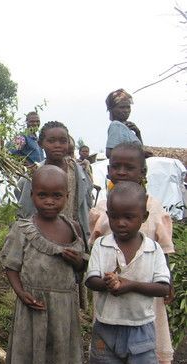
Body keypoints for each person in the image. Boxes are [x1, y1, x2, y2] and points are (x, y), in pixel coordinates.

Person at [89, 142, 175, 363]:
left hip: (145, 297)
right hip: (110, 303)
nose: (122, 172)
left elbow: (162, 250)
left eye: (129, 167)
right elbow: (94, 249)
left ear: (143, 172)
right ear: (108, 171)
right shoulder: (102, 208)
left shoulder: (154, 209)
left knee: (146, 343)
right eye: (116, 167)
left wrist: (168, 282)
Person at [0, 165, 86, 363]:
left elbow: (81, 268)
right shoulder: (23, 229)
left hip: (64, 308)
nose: (49, 201)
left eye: (57, 196)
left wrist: (78, 262)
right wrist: (21, 293)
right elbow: (11, 266)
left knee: (61, 352)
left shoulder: (73, 228)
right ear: (32, 195)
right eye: (42, 195)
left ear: (67, 195)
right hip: (33, 305)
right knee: (30, 351)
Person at [18, 121, 93, 246]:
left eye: (63, 141)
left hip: (72, 235)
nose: (57, 145)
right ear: (40, 144)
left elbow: (86, 203)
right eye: (51, 141)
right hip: (40, 235)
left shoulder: (78, 172)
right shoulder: (34, 173)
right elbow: (23, 205)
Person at [105, 89, 142, 158]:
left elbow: (140, 152)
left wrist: (138, 133)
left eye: (128, 107)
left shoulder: (124, 128)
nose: (126, 111)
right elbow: (110, 153)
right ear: (111, 109)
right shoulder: (116, 125)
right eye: (122, 107)